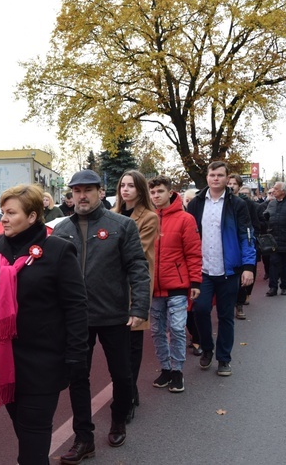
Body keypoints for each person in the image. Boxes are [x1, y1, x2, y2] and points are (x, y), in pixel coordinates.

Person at [0, 184, 89, 465]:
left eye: (10, 213)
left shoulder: (59, 251)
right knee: (24, 431)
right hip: (6, 361)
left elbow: (76, 307)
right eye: (2, 212)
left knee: (31, 445)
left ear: (32, 217)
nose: (2, 218)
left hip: (44, 362)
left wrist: (76, 355)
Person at [53, 169, 149, 461]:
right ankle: (84, 438)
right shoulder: (60, 230)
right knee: (77, 377)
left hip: (113, 315)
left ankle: (119, 418)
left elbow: (138, 268)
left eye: (87, 190)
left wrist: (139, 307)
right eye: (76, 191)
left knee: (122, 375)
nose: (81, 196)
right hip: (76, 319)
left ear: (100, 192)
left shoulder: (121, 226)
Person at [186, 161, 256, 377]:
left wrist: (248, 266)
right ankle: (207, 348)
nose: (215, 178)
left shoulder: (237, 204)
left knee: (226, 316)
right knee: (200, 310)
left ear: (227, 178)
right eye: (212, 175)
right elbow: (188, 237)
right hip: (203, 270)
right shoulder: (196, 203)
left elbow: (247, 235)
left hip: (229, 271)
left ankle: (224, 358)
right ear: (207, 177)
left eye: (220, 175)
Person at [147, 176, 202, 394]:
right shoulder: (148, 219)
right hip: (153, 287)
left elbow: (194, 252)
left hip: (177, 285)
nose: (156, 196)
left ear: (170, 193)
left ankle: (177, 370)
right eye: (152, 192)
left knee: (178, 328)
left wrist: (195, 281)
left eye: (160, 191)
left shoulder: (185, 219)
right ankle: (166, 369)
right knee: (157, 331)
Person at [112, 170, 157, 422]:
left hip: (135, 286)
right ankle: (129, 389)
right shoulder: (113, 215)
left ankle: (128, 395)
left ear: (140, 189)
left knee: (132, 344)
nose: (125, 189)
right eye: (122, 185)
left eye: (130, 185)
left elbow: (137, 249)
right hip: (113, 287)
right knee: (118, 344)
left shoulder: (149, 217)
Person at [228, 175, 261, 320]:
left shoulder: (245, 204)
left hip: (242, 243)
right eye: (229, 183)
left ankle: (239, 305)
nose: (231, 186)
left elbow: (254, 225)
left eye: (234, 184)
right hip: (228, 245)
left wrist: (251, 240)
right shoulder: (222, 202)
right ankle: (229, 304)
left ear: (239, 186)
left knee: (242, 275)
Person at [181, 188, 202, 357]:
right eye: (186, 201)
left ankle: (198, 338)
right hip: (178, 270)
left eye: (191, 200)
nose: (189, 204)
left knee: (194, 309)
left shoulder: (193, 219)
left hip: (196, 269)